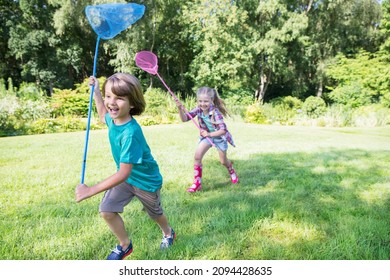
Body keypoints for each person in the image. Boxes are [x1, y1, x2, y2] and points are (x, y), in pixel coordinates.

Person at [75, 73, 175, 260]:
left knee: (155, 214)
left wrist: (90, 190)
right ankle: (125, 245)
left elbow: (123, 172)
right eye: (108, 96)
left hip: (145, 181)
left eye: (119, 98)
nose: (112, 102)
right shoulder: (113, 119)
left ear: (132, 103)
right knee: (106, 210)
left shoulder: (130, 133)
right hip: (127, 179)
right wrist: (96, 92)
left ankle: (168, 233)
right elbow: (102, 113)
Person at [176, 86, 238, 193]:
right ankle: (197, 183)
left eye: (205, 101)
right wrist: (180, 109)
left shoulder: (215, 112)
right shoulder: (198, 110)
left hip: (219, 138)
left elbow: (223, 130)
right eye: (200, 101)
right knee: (197, 157)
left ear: (211, 100)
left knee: (223, 161)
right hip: (207, 138)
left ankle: (231, 169)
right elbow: (185, 119)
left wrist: (209, 133)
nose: (202, 104)